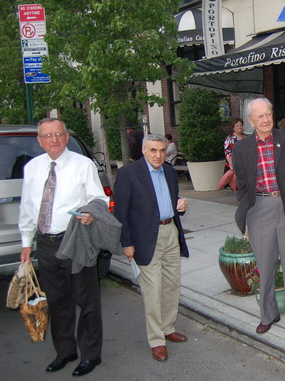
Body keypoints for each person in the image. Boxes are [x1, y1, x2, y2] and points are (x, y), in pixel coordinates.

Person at [18, 118, 108, 376]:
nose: (53, 139)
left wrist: (91, 213)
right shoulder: (33, 168)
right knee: (57, 302)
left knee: (87, 301)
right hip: (46, 244)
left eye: (58, 134)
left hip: (76, 240)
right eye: (47, 136)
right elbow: (28, 206)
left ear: (66, 137)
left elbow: (98, 198)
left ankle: (91, 355)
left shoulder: (83, 165)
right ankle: (65, 352)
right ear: (40, 141)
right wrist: (26, 242)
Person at [233, 98, 285, 335]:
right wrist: (248, 213)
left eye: (268, 114)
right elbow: (242, 185)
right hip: (260, 209)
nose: (266, 119)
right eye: (260, 116)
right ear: (251, 121)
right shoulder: (242, 148)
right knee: (266, 266)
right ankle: (268, 315)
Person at [113, 133, 190, 362]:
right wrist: (127, 243)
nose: (158, 155)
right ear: (144, 151)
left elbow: (171, 203)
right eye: (153, 150)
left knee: (171, 285)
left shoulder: (168, 171)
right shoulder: (128, 173)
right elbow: (121, 212)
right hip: (145, 238)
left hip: (170, 233)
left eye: (162, 150)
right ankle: (157, 340)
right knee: (153, 289)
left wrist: (181, 207)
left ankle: (168, 327)